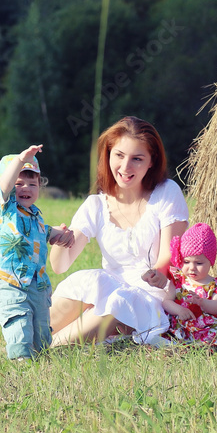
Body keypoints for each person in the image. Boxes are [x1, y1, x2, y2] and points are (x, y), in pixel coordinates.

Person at [48, 116, 189, 346]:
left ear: (152, 161)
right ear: (109, 154)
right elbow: (60, 266)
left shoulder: (166, 193)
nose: (125, 167)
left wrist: (158, 272)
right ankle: (21, 345)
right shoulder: (96, 205)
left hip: (151, 296)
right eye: (119, 156)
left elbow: (169, 254)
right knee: (87, 281)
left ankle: (39, 351)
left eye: (137, 159)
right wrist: (58, 239)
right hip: (111, 286)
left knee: (120, 301)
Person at [0, 144, 75, 360]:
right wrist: (21, 159)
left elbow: (40, 234)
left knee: (41, 337)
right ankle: (21, 365)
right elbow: (5, 184)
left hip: (37, 286)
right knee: (19, 325)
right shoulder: (3, 207)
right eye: (19, 183)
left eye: (33, 183)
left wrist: (56, 233)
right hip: (11, 283)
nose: (26, 188)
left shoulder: (35, 215)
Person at [161, 222, 217, 349]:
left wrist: (202, 303)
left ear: (210, 262)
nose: (192, 268)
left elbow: (216, 308)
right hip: (181, 326)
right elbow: (166, 302)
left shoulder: (215, 285)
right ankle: (168, 343)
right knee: (168, 334)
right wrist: (180, 310)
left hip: (206, 327)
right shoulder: (178, 279)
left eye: (199, 263)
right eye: (186, 262)